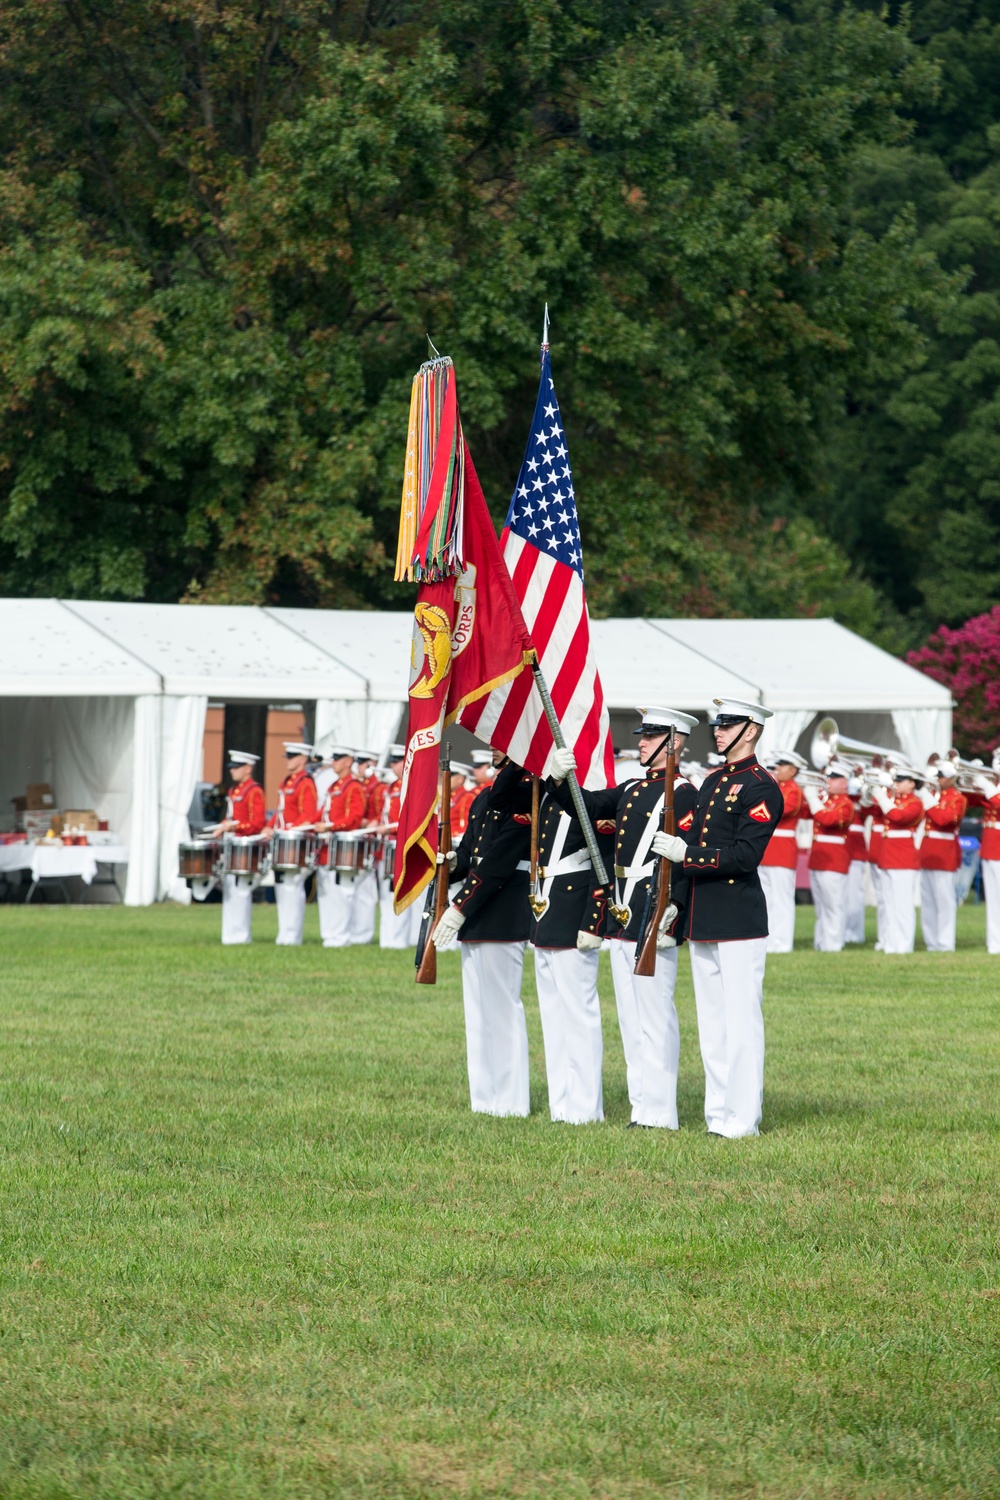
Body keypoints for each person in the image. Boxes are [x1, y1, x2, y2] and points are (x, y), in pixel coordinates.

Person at [550, 707, 699, 1130]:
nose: (641, 743)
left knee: (655, 1016)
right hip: (623, 909)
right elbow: (588, 806)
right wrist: (560, 780)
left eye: (650, 738)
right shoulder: (634, 787)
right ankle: (642, 1108)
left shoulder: (685, 793)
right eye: (642, 737)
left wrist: (673, 912)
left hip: (653, 909)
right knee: (632, 1020)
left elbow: (682, 860)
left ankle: (661, 1112)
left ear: (672, 744)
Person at [652, 697, 783, 1138]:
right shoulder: (712, 781)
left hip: (737, 917)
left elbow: (745, 856)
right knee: (712, 1024)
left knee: (741, 1021)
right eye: (718, 724)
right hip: (703, 916)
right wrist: (677, 903)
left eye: (729, 724)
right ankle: (718, 1116)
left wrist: (688, 854)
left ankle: (743, 1119)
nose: (719, 730)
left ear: (751, 730)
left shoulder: (762, 787)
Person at [431, 760, 533, 1117]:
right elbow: (471, 852)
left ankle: (511, 1101)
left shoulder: (525, 796)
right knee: (477, 1014)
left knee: (502, 1010)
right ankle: (485, 1099)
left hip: (502, 910)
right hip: (475, 913)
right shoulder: (483, 798)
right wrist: (451, 862)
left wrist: (459, 905)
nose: (492, 746)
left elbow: (499, 862)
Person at [528, 776, 617, 1125]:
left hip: (573, 910)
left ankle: (585, 1108)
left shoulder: (594, 796)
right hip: (546, 906)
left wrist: (593, 921)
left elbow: (603, 861)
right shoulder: (548, 793)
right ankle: (561, 1104)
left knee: (579, 1016)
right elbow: (504, 794)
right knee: (553, 1018)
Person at [265, 741, 318, 946]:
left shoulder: (305, 782)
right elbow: (280, 812)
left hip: (295, 842)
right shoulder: (288, 782)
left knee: (293, 887)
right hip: (284, 839)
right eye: (288, 756)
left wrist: (289, 829)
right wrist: (270, 827)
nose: (289, 760)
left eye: (293, 756)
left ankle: (292, 935)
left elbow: (308, 814)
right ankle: (284, 933)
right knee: (283, 887)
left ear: (303, 759)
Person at [315, 746, 367, 948]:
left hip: (343, 847)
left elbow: (354, 816)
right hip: (329, 846)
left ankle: (341, 936)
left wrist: (330, 826)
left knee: (341, 892)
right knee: (327, 892)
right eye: (333, 758)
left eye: (338, 758)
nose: (334, 762)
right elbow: (323, 811)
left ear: (348, 761)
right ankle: (330, 934)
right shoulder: (334, 786)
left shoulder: (353, 786)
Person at [212, 750, 266, 945]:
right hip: (233, 845)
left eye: (237, 767)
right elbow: (232, 816)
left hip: (245, 847)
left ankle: (241, 935)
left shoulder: (254, 790)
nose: (232, 771)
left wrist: (234, 826)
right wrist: (223, 826)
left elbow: (256, 823)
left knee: (241, 890)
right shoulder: (235, 790)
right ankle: (230, 935)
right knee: (230, 890)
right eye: (232, 767)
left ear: (248, 769)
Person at [871, 766, 924, 954]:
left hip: (904, 859)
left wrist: (883, 797)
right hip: (889, 857)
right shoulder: (895, 799)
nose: (897, 783)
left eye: (901, 780)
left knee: (902, 905)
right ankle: (892, 944)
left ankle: (904, 945)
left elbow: (898, 816)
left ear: (912, 783)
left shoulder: (916, 803)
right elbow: (868, 807)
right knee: (890, 904)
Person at [803, 761, 854, 952]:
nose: (829, 781)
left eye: (834, 778)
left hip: (834, 861)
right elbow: (804, 812)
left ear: (844, 782)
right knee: (822, 906)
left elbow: (828, 819)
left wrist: (813, 798)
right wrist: (810, 796)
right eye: (829, 777)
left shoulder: (846, 804)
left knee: (834, 905)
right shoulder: (826, 800)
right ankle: (822, 942)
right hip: (819, 859)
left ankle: (833, 944)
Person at [758, 750, 806, 953]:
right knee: (767, 898)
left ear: (793, 769)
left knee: (782, 899)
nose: (778, 768)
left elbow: (780, 810)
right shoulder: (777, 787)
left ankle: (783, 942)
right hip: (767, 850)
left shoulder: (793, 790)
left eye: (783, 765)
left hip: (782, 851)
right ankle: (770, 939)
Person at [377, 746, 424, 949]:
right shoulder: (392, 787)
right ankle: (388, 938)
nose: (393, 766)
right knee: (386, 895)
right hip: (389, 845)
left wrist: (389, 828)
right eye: (392, 762)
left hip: (404, 843)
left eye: (397, 761)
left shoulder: (413, 785)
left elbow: (414, 818)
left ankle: (402, 939)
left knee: (403, 892)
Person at [919, 761, 967, 952]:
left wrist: (927, 797)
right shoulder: (934, 795)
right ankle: (932, 942)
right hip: (928, 850)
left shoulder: (958, 798)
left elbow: (944, 819)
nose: (938, 780)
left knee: (944, 901)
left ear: (950, 778)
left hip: (945, 853)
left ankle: (945, 943)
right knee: (928, 900)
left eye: (941, 776)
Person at [347, 750, 380, 945]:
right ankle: (358, 932)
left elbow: (380, 812)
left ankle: (364, 933)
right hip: (363, 841)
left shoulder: (377, 785)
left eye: (362, 763)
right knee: (359, 890)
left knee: (367, 892)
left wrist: (369, 821)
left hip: (373, 842)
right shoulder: (362, 785)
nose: (358, 766)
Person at [972, 769, 1000, 954]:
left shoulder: (993, 789)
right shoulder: (993, 787)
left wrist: (989, 788)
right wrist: (976, 784)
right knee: (993, 900)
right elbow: (972, 801)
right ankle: (995, 942)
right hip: (990, 848)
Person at [844, 781, 868, 944]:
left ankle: (855, 933)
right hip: (840, 852)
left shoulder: (860, 797)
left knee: (854, 896)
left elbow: (869, 805)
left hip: (854, 851)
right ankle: (844, 931)